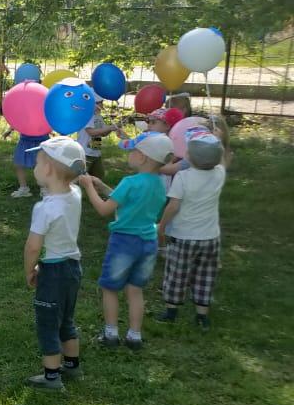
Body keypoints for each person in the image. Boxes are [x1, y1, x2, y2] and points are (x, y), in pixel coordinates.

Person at [78, 132, 173, 350]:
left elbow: (104, 209)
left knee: (110, 288)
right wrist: (102, 186)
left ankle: (110, 334)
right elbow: (129, 203)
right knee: (135, 290)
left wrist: (89, 187)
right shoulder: (160, 185)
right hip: (148, 243)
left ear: (143, 157)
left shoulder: (130, 182)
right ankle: (134, 336)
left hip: (124, 243)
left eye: (133, 151)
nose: (129, 155)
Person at [22, 139, 87, 390]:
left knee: (48, 322)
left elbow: (33, 246)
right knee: (66, 318)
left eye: (37, 162)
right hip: (72, 267)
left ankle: (52, 377)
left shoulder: (45, 208)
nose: (34, 166)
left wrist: (30, 269)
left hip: (53, 271)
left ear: (48, 168)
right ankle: (72, 365)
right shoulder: (76, 194)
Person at [157, 131, 226, 330]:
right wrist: (219, 139)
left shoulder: (183, 177)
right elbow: (223, 160)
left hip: (183, 236)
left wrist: (162, 226)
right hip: (210, 237)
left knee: (177, 273)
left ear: (190, 156)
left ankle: (171, 311)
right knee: (205, 274)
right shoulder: (219, 173)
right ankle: (202, 316)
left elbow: (173, 206)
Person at [4, 126, 49, 198]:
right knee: (18, 163)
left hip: (41, 140)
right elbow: (18, 119)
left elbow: (51, 119)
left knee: (40, 165)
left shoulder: (43, 114)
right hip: (25, 140)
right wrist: (10, 129)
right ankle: (23, 188)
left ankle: (44, 188)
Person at [78, 102, 118, 180]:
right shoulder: (87, 116)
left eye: (101, 102)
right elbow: (91, 132)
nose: (101, 105)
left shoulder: (98, 117)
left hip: (95, 152)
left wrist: (112, 128)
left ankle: (96, 190)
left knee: (98, 177)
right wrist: (108, 128)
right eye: (99, 103)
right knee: (82, 178)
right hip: (85, 153)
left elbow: (103, 133)